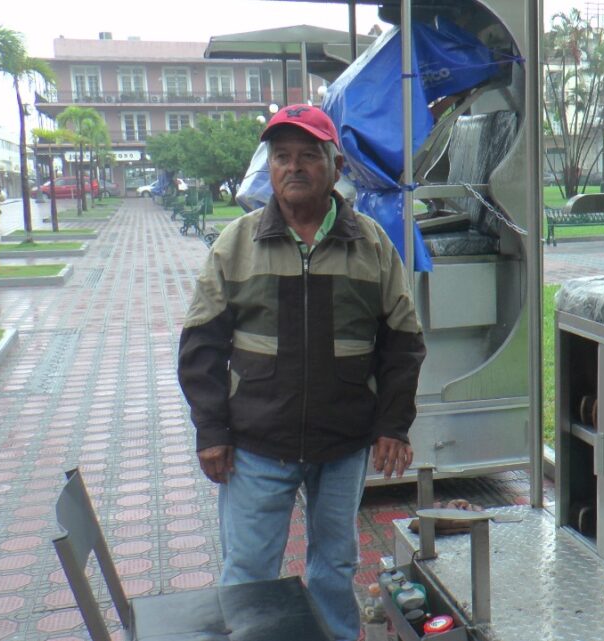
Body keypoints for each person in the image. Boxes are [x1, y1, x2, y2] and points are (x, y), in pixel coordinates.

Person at [177, 104, 425, 641]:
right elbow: (200, 345)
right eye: (281, 157)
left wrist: (392, 425)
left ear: (335, 167)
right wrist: (212, 431)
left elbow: (403, 342)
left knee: (334, 568)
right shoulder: (236, 243)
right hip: (256, 444)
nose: (294, 167)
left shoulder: (372, 245)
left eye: (308, 156)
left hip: (343, 444)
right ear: (269, 168)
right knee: (248, 576)